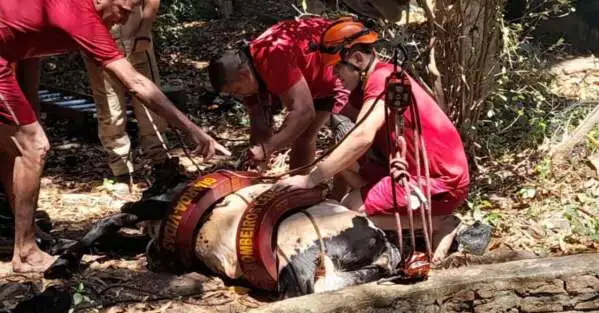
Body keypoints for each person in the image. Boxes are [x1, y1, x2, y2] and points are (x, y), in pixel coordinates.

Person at [0, 0, 230, 273]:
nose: (123, 20)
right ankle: (25, 252)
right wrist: (194, 131)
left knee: (14, 149)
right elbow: (136, 83)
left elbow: (27, 47)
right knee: (34, 147)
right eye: (122, 10)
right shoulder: (80, 15)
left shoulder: (69, 10)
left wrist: (31, 102)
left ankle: (29, 235)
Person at [280, 17, 470, 262]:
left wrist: (311, 178)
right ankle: (391, 211)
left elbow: (362, 135)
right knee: (343, 163)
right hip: (409, 170)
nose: (335, 75)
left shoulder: (382, 79)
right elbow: (345, 133)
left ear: (357, 60)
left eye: (337, 68)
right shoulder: (368, 84)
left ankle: (438, 223)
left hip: (439, 180)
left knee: (350, 209)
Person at [207, 17, 350, 171]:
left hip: (338, 71)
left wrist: (268, 147)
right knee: (296, 134)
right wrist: (254, 162)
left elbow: (304, 114)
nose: (240, 95)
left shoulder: (272, 59)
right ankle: (293, 186)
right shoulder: (247, 68)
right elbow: (259, 125)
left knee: (306, 135)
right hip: (307, 76)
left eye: (237, 90)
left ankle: (308, 189)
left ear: (244, 75)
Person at [83, 0, 170, 193]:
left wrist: (145, 30)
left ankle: (161, 162)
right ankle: (120, 171)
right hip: (99, 44)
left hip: (137, 42)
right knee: (110, 109)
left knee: (149, 104)